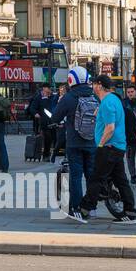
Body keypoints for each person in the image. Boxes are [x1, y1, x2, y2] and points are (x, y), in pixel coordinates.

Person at [71, 74, 136, 224]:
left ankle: (83, 210)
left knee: (96, 179)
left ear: (99, 85)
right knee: (121, 180)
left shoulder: (107, 102)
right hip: (118, 146)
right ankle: (130, 212)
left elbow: (110, 127)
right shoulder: (114, 99)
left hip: (108, 147)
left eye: (94, 84)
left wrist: (100, 144)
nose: (92, 87)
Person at [49, 67, 99, 212]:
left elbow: (55, 117)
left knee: (76, 177)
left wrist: (54, 121)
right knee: (91, 175)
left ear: (71, 80)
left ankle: (76, 206)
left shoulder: (69, 97)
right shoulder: (94, 96)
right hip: (92, 141)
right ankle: (91, 207)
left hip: (74, 142)